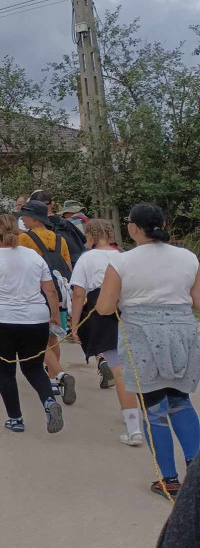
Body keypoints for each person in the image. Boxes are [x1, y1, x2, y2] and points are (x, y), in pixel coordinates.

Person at [96, 203, 200, 498]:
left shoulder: (122, 261)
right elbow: (197, 301)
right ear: (164, 224)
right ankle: (196, 472)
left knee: (154, 407)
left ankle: (169, 480)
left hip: (141, 335)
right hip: (182, 331)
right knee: (180, 399)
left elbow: (104, 307)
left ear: (133, 228)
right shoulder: (188, 257)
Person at [0, 214, 65, 434]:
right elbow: (50, 290)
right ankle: (48, 401)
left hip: (0, 319)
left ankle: (15, 418)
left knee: (5, 371)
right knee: (34, 368)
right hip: (35, 319)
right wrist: (54, 314)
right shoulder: (34, 256)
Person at [68, 219, 143, 446]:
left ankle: (133, 428)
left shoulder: (87, 258)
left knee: (120, 370)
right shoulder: (124, 255)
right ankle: (146, 413)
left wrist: (74, 323)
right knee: (136, 367)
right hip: (129, 310)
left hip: (101, 312)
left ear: (89, 236)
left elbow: (79, 294)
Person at [19, 199, 76, 405]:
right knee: (53, 337)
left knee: (37, 340)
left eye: (25, 216)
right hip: (58, 293)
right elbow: (67, 266)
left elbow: (23, 267)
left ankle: (60, 374)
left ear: (34, 218)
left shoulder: (25, 239)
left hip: (37, 293)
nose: (22, 219)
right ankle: (53, 379)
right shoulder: (59, 238)